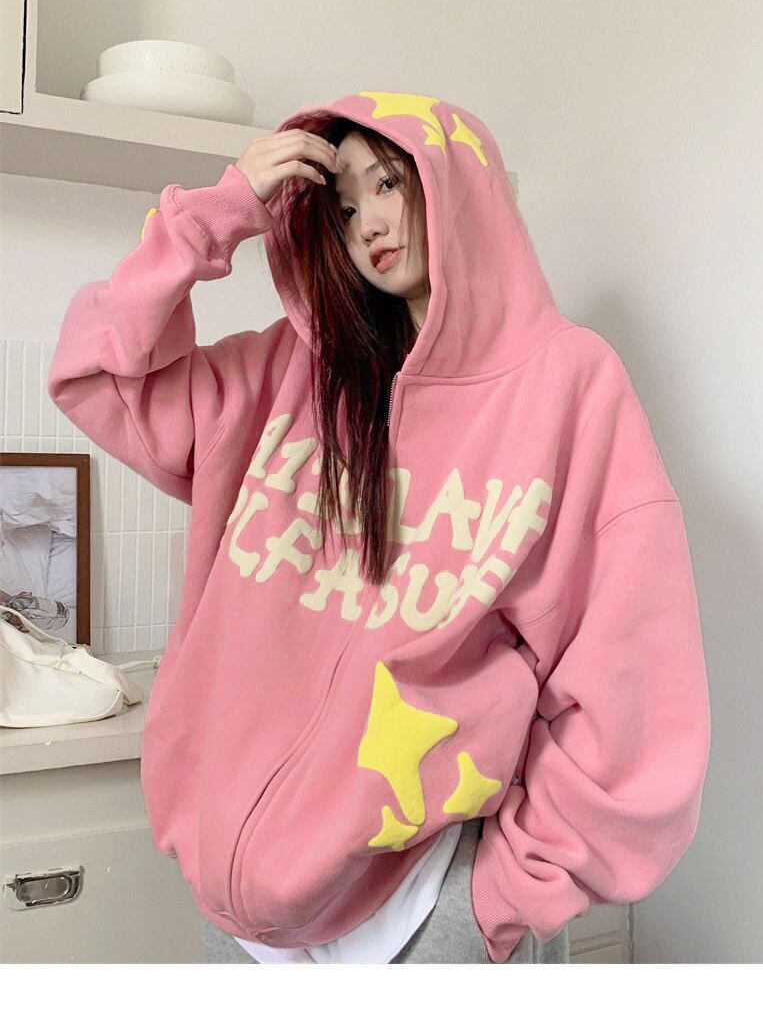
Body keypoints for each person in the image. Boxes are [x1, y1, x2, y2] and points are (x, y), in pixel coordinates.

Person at [47, 91, 711, 965]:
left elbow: (630, 676)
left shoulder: (569, 384)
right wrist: (214, 216)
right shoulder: (291, 371)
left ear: (455, 183)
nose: (368, 223)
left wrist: (497, 899)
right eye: (344, 206)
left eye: (389, 183)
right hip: (243, 923)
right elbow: (98, 376)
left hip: (426, 908)